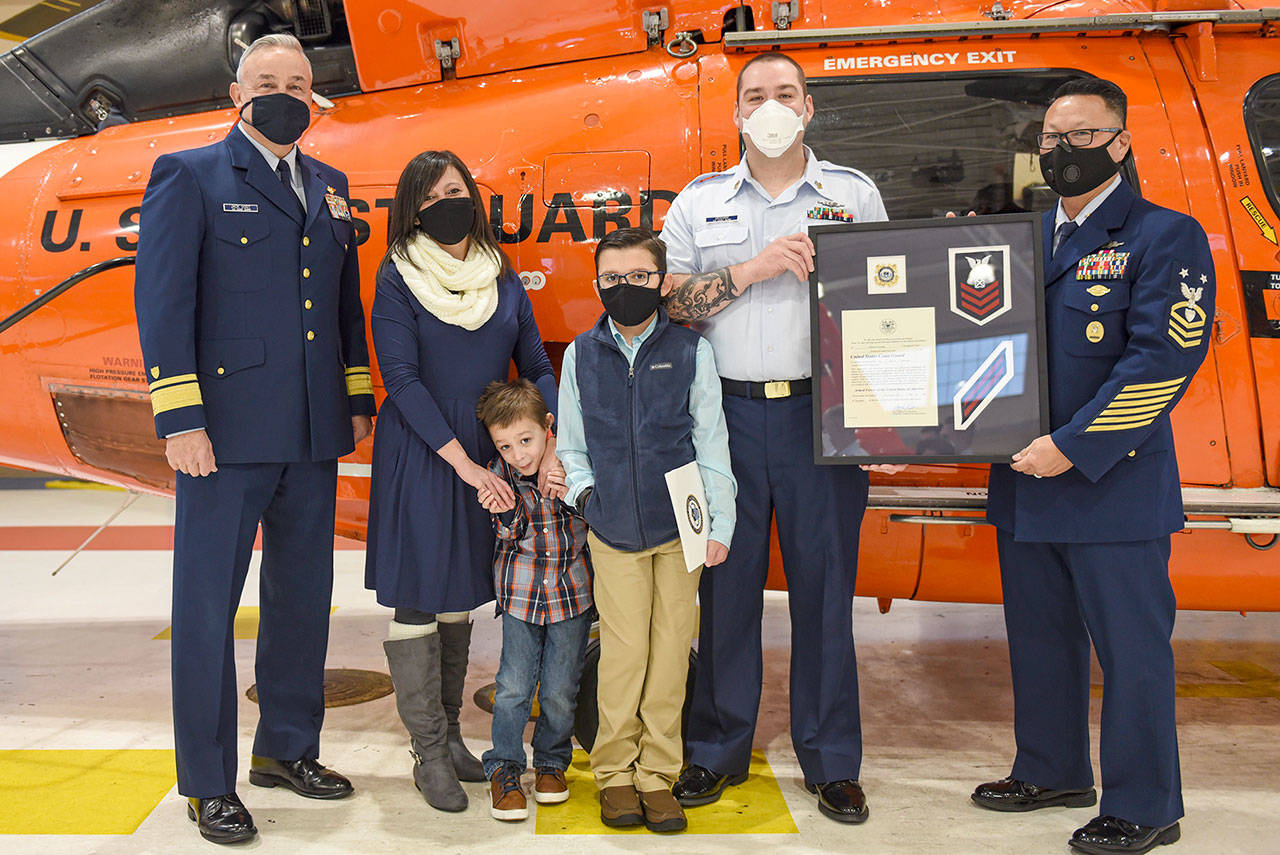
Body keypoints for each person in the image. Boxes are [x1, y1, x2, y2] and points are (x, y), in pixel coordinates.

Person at [134, 34, 373, 845]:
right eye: (267, 81)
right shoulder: (191, 175)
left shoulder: (332, 188)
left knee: (302, 604)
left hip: (309, 433)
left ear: (315, 96)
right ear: (236, 92)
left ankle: (287, 750)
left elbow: (344, 308)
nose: (284, 93)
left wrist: (355, 399)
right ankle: (208, 784)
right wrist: (180, 418)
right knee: (206, 611)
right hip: (223, 437)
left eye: (298, 82)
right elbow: (162, 305)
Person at [974, 78, 1214, 855]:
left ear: (1121, 142)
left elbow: (1161, 362)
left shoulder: (1163, 235)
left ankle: (1146, 803)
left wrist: (1071, 446)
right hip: (1021, 476)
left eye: (1081, 136)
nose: (1062, 151)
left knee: (1132, 652)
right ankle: (1051, 770)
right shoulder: (1018, 238)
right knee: (1038, 638)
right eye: (1050, 138)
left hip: (1110, 482)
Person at [659, 52, 890, 823]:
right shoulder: (700, 202)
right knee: (724, 591)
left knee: (826, 590)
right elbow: (668, 302)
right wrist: (753, 269)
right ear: (735, 113)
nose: (770, 106)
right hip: (721, 419)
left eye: (784, 93)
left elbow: (893, 303)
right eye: (755, 95)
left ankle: (831, 760)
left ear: (809, 107)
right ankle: (717, 750)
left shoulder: (853, 195)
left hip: (823, 419)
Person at [364, 149, 561, 813]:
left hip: (490, 446)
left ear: (472, 195)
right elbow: (402, 380)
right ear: (411, 211)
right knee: (420, 596)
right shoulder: (396, 276)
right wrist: (468, 464)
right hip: (427, 450)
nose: (442, 203)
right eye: (427, 198)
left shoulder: (501, 273)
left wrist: (548, 438)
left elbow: (534, 360)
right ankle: (426, 752)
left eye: (453, 190)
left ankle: (449, 738)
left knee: (460, 595)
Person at [557, 227, 736, 833]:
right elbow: (572, 446)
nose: (625, 288)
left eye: (638, 277)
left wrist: (718, 522)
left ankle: (658, 776)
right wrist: (587, 497)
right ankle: (614, 775)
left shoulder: (691, 352)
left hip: (679, 529)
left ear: (661, 282)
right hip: (613, 531)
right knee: (624, 655)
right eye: (612, 278)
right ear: (598, 284)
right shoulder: (580, 354)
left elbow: (710, 442)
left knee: (668, 658)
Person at [473, 379, 592, 822]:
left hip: (571, 595)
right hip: (521, 597)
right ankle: (504, 766)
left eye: (526, 440)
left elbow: (590, 521)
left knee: (561, 691)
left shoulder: (571, 465)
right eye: (506, 447)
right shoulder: (499, 475)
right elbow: (508, 535)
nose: (519, 455)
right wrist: (503, 514)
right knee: (513, 688)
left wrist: (571, 491)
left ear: (548, 427)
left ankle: (551, 764)